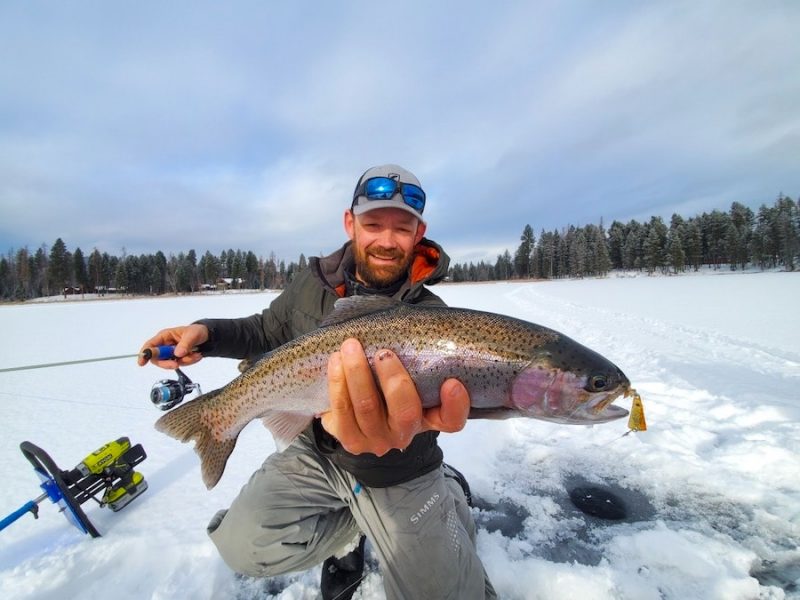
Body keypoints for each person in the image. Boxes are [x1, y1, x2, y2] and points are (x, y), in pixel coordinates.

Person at [139, 164, 497, 600]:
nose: (386, 241)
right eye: (373, 225)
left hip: (397, 467)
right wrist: (207, 333)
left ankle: (446, 491)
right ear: (350, 223)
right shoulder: (313, 284)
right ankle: (355, 528)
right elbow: (266, 330)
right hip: (319, 450)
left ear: (419, 232)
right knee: (242, 547)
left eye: (401, 229)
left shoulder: (434, 317)